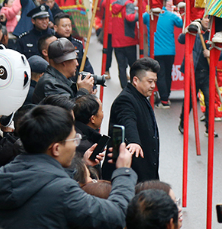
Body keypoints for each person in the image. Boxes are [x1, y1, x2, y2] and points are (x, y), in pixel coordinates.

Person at [0, 105, 137, 228]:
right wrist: (123, 171)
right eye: (74, 139)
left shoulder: (5, 174)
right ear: (56, 148)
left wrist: (83, 166)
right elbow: (116, 216)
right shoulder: (63, 192)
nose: (76, 145)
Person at [102, 58, 160, 183]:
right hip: (130, 177)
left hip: (145, 174)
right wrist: (134, 141)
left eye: (155, 81)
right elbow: (128, 120)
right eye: (150, 81)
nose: (153, 86)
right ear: (135, 80)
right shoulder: (125, 100)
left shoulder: (141, 96)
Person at [177, 15, 219, 136]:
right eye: (206, 18)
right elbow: (181, 39)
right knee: (189, 101)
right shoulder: (194, 31)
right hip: (193, 72)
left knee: (210, 102)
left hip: (207, 74)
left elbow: (221, 55)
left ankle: (209, 128)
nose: (207, 21)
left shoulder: (215, 35)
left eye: (210, 19)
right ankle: (183, 124)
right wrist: (189, 29)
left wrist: (211, 53)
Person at [142, 0, 183, 108]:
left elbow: (140, 19)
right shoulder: (171, 16)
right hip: (170, 51)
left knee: (160, 75)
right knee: (168, 75)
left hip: (156, 52)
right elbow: (182, 24)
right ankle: (166, 98)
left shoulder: (148, 16)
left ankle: (164, 99)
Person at [32, 38, 95, 103]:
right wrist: (83, 91)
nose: (77, 64)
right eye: (74, 59)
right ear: (64, 62)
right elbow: (70, 110)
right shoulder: (51, 85)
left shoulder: (60, 79)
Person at [111, 0, 139, 88]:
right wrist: (140, 15)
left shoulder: (114, 4)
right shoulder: (129, 4)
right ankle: (133, 87)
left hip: (116, 40)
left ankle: (124, 88)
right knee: (133, 66)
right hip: (128, 40)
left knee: (121, 67)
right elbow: (130, 18)